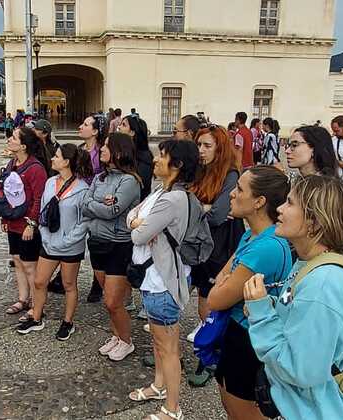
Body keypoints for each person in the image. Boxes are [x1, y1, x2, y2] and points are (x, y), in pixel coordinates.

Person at [244, 175, 343, 419]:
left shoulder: (322, 285)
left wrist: (261, 313)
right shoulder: (311, 264)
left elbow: (299, 370)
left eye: (290, 203)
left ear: (314, 222)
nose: (279, 208)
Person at [206, 166, 292, 419]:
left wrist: (224, 282)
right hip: (236, 331)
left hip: (249, 338)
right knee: (230, 402)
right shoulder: (251, 236)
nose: (231, 194)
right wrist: (225, 281)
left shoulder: (266, 247)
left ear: (259, 201)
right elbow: (222, 276)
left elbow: (216, 298)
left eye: (239, 189)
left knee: (242, 410)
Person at [126, 140, 199, 420]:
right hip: (152, 279)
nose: (156, 160)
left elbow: (137, 235)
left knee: (168, 348)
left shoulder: (173, 198)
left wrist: (138, 226)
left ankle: (173, 407)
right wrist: (137, 222)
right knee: (158, 343)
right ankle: (158, 385)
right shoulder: (160, 191)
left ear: (178, 166)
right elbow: (132, 216)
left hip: (163, 282)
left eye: (164, 156)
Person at [17, 144, 94, 339]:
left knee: (69, 284)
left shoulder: (83, 189)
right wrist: (44, 235)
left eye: (57, 156)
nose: (52, 159)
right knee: (40, 281)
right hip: (50, 243)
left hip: (70, 246)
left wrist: (67, 241)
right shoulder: (51, 182)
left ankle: (68, 322)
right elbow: (43, 212)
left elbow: (84, 222)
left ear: (66, 162)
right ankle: (36, 316)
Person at [187, 125, 244, 386]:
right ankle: (207, 349)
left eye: (207, 146)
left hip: (220, 247)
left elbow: (219, 215)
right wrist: (204, 207)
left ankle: (209, 358)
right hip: (201, 246)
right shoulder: (200, 172)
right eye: (199, 145)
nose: (201, 151)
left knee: (214, 302)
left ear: (220, 149)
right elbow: (187, 204)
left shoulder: (230, 174)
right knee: (202, 298)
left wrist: (202, 208)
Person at [83, 132, 141, 361]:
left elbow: (112, 211)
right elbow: (84, 203)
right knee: (109, 300)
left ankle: (126, 341)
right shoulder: (100, 178)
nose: (102, 149)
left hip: (118, 245)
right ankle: (117, 336)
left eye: (107, 145)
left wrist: (96, 204)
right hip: (97, 242)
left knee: (112, 300)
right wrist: (99, 203)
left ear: (119, 151)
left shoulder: (130, 181)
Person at [1, 127, 49, 318]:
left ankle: (37, 305)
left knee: (30, 265)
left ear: (23, 145)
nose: (9, 140)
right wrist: (5, 217)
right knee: (18, 261)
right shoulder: (12, 163)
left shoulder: (36, 168)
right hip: (13, 221)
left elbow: (39, 198)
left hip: (27, 224)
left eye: (13, 138)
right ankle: (23, 298)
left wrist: (32, 224)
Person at [78, 113, 109, 303]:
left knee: (96, 244)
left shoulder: (100, 154)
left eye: (86, 124)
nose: (81, 126)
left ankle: (98, 284)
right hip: (77, 201)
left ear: (95, 131)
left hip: (94, 204)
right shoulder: (79, 149)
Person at [118, 114, 154, 200]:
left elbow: (141, 186)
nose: (119, 127)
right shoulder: (123, 151)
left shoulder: (144, 157)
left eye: (124, 125)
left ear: (132, 132)